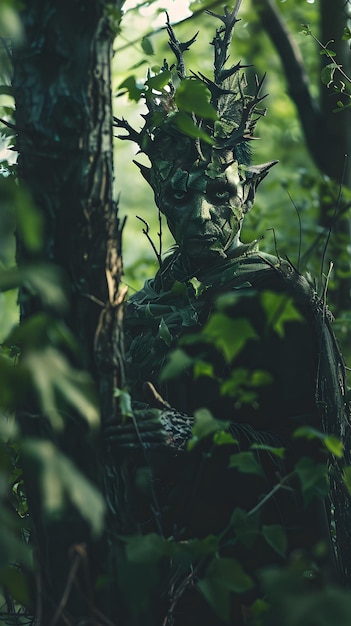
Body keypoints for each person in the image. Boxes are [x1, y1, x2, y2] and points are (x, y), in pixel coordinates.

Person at [109, 7, 351, 624]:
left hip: (265, 580)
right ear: (159, 196)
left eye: (218, 191)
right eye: (179, 194)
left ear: (247, 188)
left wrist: (200, 435)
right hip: (159, 583)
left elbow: (325, 455)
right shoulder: (139, 311)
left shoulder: (282, 295)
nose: (198, 214)